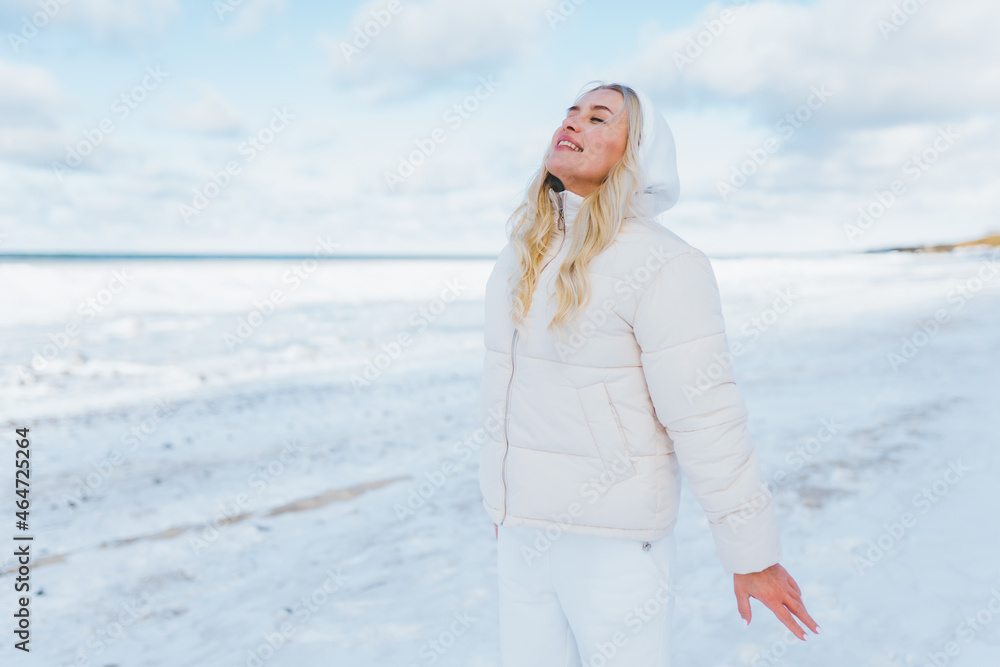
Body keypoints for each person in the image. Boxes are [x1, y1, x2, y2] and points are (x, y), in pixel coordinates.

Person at [477, 81, 820, 666]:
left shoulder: (665, 263)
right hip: (524, 538)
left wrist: (751, 555)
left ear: (636, 153)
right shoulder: (522, 254)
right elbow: (509, 393)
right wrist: (504, 504)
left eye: (599, 117)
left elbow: (705, 415)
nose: (575, 123)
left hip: (612, 545)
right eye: (572, 112)